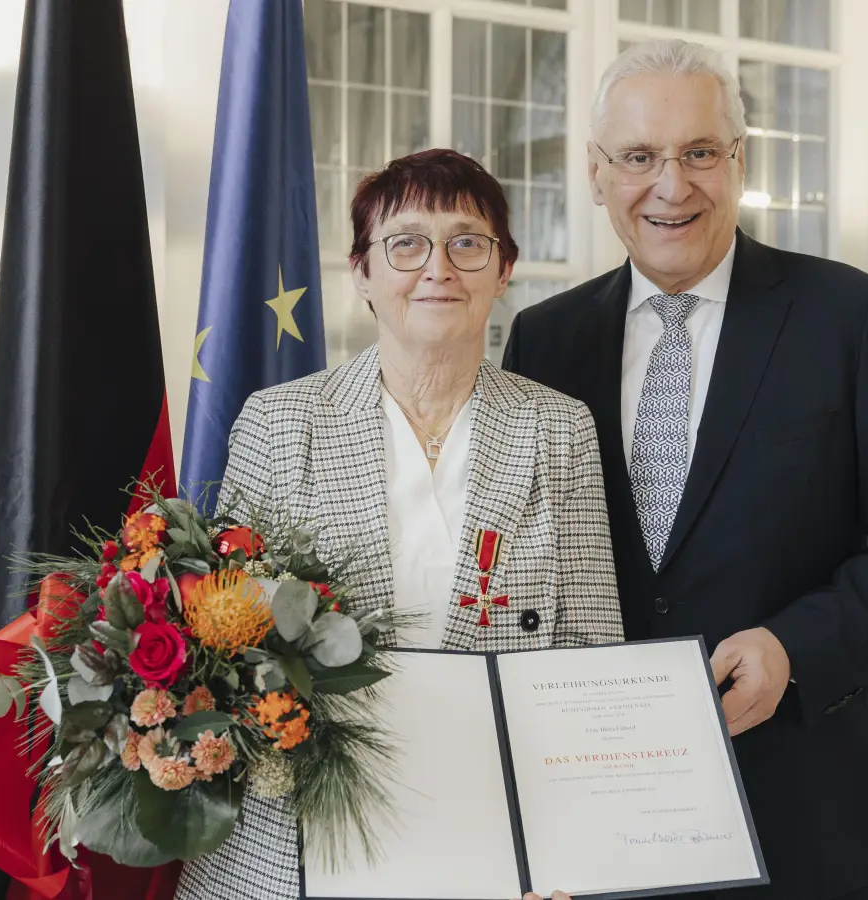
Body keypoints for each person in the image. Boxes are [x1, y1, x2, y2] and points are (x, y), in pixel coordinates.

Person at [502, 40, 868, 900]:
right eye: (639, 157)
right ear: (596, 172)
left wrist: (794, 647)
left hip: (798, 817)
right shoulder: (545, 339)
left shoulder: (849, 316)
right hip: (598, 817)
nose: (671, 185)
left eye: (699, 152)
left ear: (739, 161)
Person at [175, 148, 625, 900]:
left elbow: (590, 655)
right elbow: (226, 649)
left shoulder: (561, 429)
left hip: (492, 840)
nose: (438, 268)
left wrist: (563, 853)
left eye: (467, 243)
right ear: (362, 273)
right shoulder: (279, 422)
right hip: (298, 838)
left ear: (504, 271)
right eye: (406, 243)